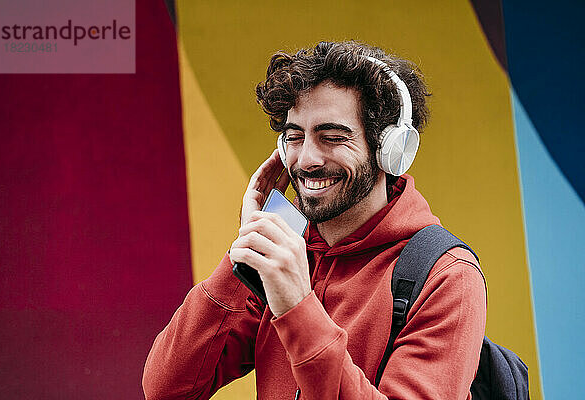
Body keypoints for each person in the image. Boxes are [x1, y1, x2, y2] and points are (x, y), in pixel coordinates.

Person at [142, 41, 486, 400]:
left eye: (333, 137)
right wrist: (246, 250)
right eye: (294, 137)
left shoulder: (448, 277)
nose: (306, 159)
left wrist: (296, 307)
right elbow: (167, 389)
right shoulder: (286, 253)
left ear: (392, 150)